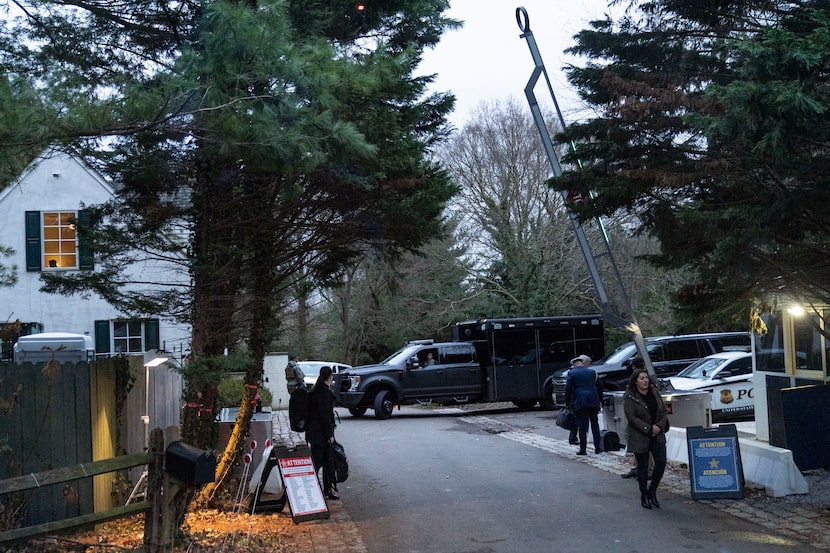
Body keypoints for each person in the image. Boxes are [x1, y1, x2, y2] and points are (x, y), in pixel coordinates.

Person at [623, 365, 669, 509]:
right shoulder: (630, 396)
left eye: (646, 378)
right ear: (635, 381)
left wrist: (659, 427)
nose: (645, 381)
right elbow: (631, 417)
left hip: (657, 434)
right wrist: (647, 428)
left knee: (661, 462)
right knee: (642, 466)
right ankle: (644, 494)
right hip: (640, 435)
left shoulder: (654, 392)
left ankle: (652, 490)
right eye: (641, 378)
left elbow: (663, 411)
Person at [306, 365, 339, 500]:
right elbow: (324, 415)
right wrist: (329, 435)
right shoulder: (324, 393)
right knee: (319, 462)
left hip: (314, 433)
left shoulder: (315, 390)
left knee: (326, 461)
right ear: (330, 377)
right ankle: (309, 487)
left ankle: (327, 489)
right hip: (320, 434)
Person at [564, 354, 603, 455]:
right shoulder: (593, 372)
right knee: (595, 424)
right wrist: (600, 400)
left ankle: (583, 449)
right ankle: (598, 448)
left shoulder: (572, 373)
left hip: (580, 401)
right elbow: (600, 386)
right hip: (594, 400)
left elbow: (568, 389)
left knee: (582, 425)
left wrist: (568, 403)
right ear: (582, 364)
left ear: (575, 365)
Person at [567, 354, 592, 445]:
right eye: (588, 364)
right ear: (583, 362)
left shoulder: (573, 371)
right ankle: (574, 439)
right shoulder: (575, 372)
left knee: (576, 419)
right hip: (577, 399)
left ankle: (573, 438)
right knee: (578, 420)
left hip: (576, 399)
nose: (588, 366)